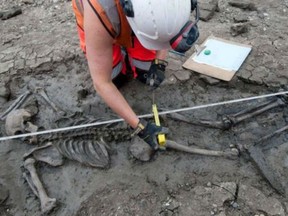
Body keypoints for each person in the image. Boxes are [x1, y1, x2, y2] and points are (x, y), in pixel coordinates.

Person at [72, 0, 199, 150]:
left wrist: (159, 62)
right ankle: (119, 50)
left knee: (144, 71)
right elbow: (102, 82)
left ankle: (131, 50)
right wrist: (139, 127)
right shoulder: (99, 11)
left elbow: (166, 33)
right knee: (115, 78)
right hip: (103, 22)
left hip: (140, 22)